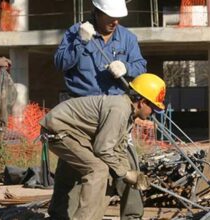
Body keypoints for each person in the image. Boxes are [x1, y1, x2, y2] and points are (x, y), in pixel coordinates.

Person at [52, 0, 147, 219]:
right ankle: (60, 215)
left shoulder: (127, 38)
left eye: (118, 17)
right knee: (72, 169)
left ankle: (132, 216)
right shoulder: (76, 32)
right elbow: (60, 63)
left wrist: (128, 68)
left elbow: (140, 66)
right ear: (97, 12)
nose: (115, 21)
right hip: (81, 115)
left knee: (127, 164)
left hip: (115, 113)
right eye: (110, 17)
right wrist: (79, 42)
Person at [41, 74, 166, 220]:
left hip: (73, 132)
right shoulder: (119, 110)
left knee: (105, 171)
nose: (152, 114)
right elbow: (103, 149)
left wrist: (130, 173)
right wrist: (125, 174)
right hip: (58, 130)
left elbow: (118, 149)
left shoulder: (127, 113)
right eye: (153, 108)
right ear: (142, 102)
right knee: (98, 169)